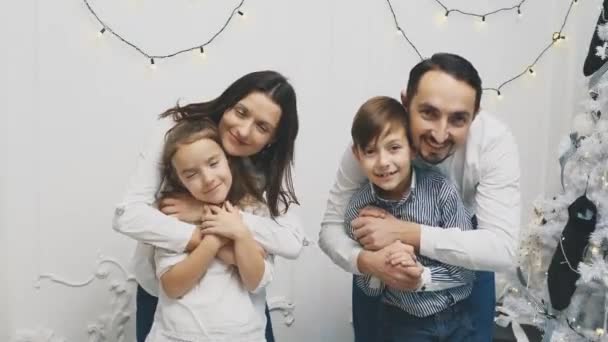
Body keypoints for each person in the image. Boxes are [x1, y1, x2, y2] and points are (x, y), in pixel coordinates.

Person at [319, 53, 521, 341]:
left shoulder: (495, 143)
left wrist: (407, 232)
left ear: (474, 117)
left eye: (458, 119)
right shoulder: (374, 144)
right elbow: (330, 228)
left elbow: (501, 248)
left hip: (466, 258)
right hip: (382, 270)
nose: (440, 134)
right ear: (406, 102)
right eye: (428, 113)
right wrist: (367, 262)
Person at [113, 71, 304, 342]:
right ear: (228, 103)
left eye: (262, 127)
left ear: (272, 140)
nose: (243, 130)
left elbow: (291, 242)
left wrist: (212, 215)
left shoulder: (268, 167)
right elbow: (127, 215)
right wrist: (206, 238)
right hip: (168, 294)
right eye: (241, 112)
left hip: (238, 304)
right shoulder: (178, 133)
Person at [346, 96, 476, 341]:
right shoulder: (359, 211)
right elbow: (367, 289)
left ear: (412, 148)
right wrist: (382, 264)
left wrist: (421, 276)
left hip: (458, 316)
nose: (383, 162)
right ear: (357, 154)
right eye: (370, 151)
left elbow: (467, 270)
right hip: (402, 323)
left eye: (394, 148)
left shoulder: (441, 191)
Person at [146, 118, 273, 341]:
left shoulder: (253, 211)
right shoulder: (173, 215)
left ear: (228, 160)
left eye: (213, 163)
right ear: (180, 180)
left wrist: (240, 232)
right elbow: (173, 286)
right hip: (179, 335)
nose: (208, 179)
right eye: (191, 174)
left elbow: (255, 280)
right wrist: (212, 241)